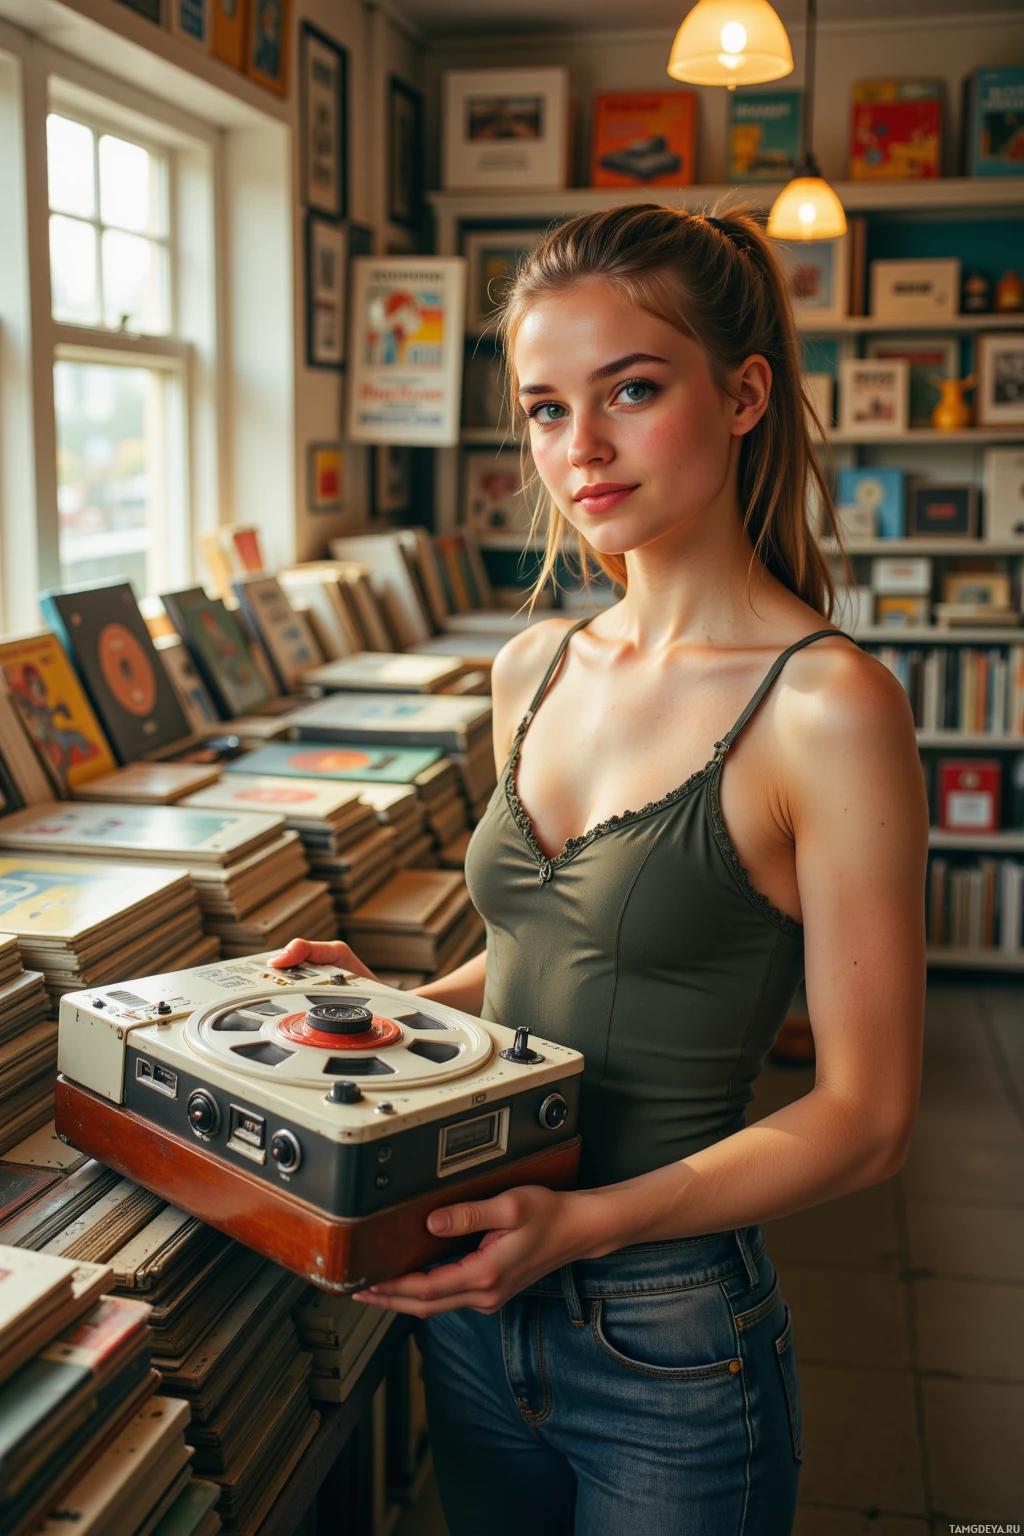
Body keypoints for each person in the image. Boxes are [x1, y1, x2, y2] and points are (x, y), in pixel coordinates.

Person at [273, 203, 927, 1535]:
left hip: (670, 1339)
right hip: (472, 1295)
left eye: (631, 389)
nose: (583, 449)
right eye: (546, 407)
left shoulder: (828, 707)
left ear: (742, 395)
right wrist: (395, 1006)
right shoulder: (534, 668)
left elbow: (868, 1117)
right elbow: (540, 965)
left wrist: (587, 1226)